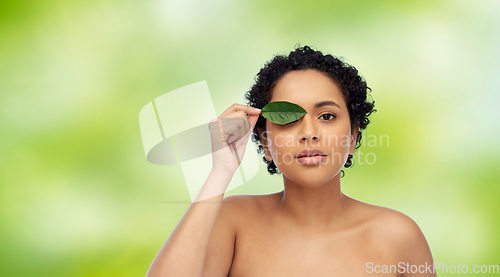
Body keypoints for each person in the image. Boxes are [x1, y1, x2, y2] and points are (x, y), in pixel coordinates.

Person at [146, 45, 437, 276]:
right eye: (289, 119)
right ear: (265, 143)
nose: (309, 134)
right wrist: (221, 171)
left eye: (326, 116)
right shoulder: (232, 222)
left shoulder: (398, 237)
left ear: (352, 136)